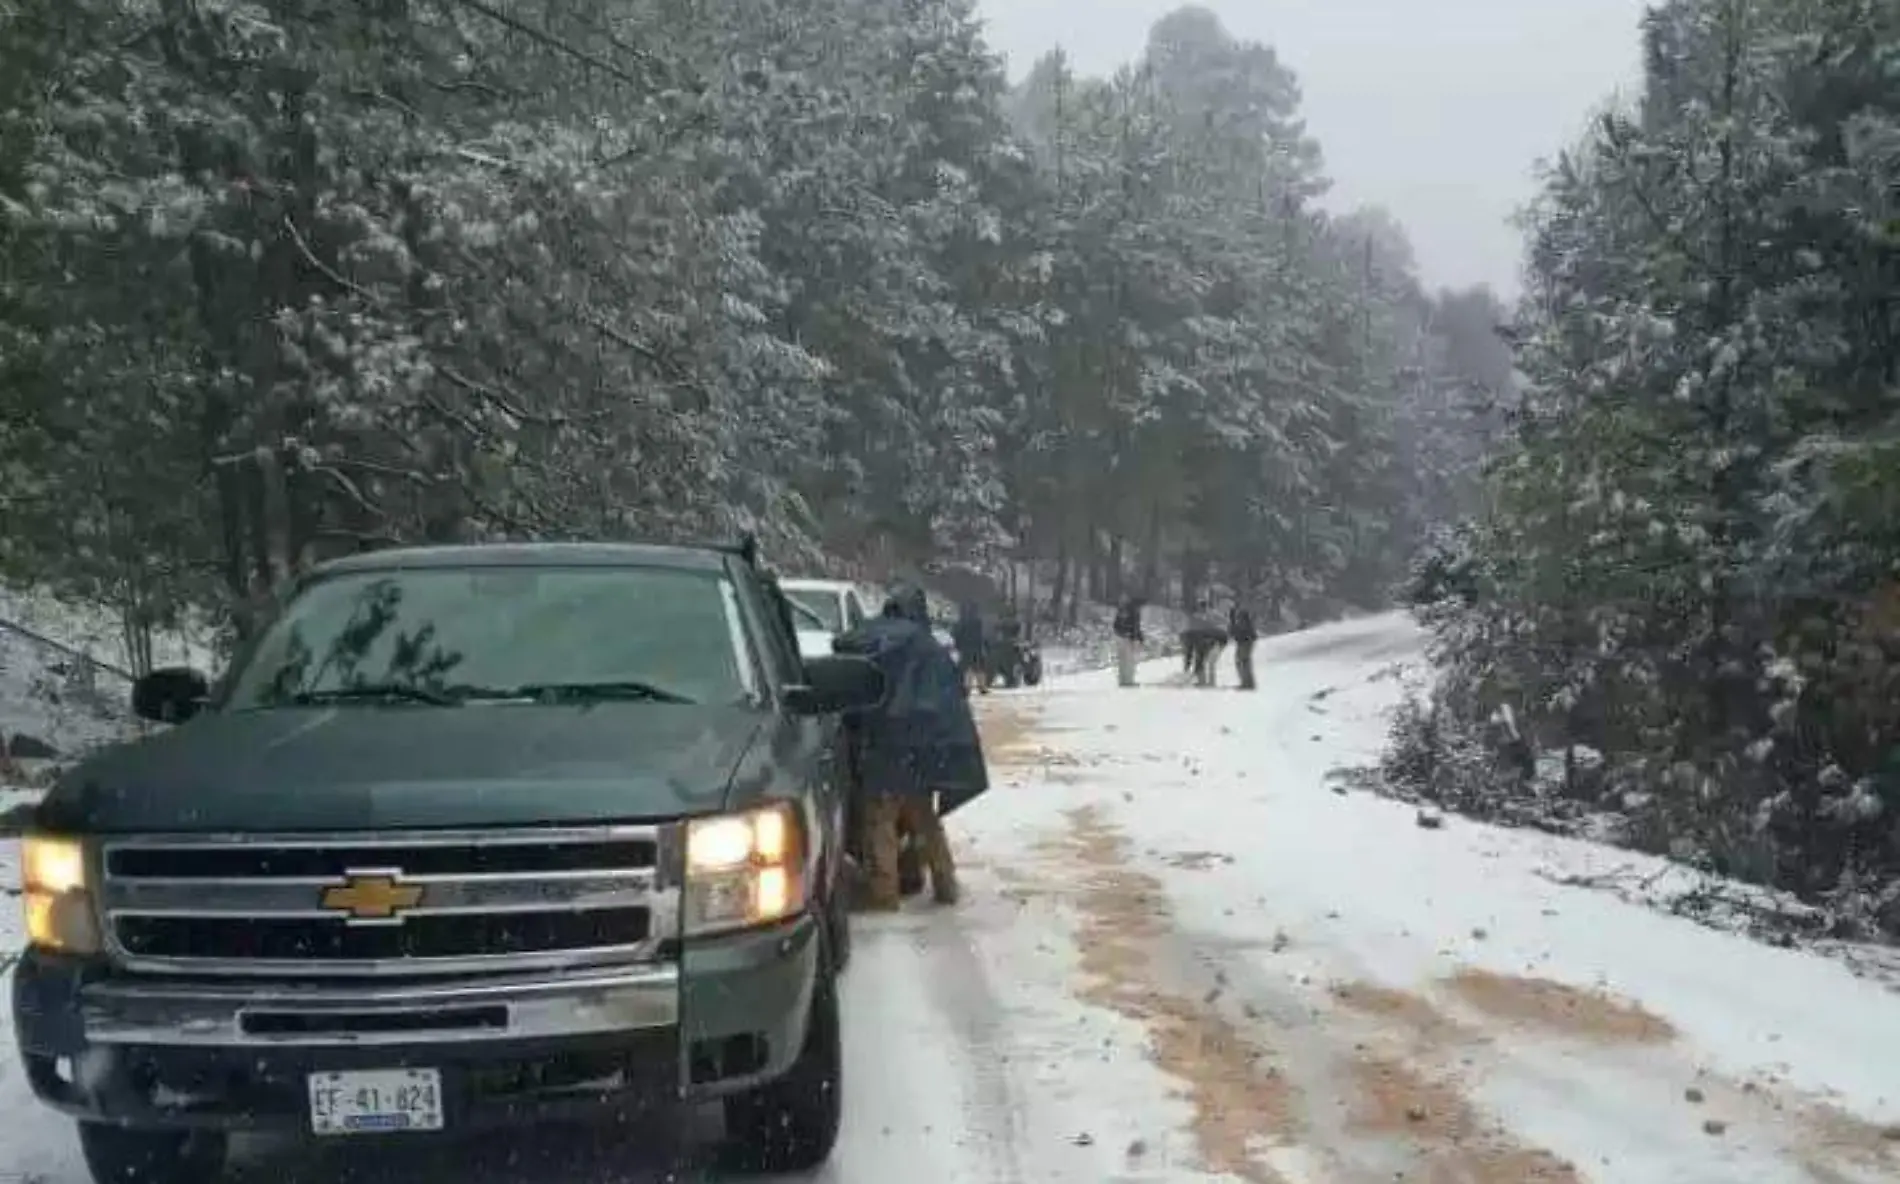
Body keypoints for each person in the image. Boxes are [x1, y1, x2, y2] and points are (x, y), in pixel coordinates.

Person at [833, 584, 989, 909]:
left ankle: (885, 894)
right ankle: (946, 885)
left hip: (879, 745)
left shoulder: (867, 637)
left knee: (880, 821)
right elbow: (951, 700)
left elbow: (843, 656)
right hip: (919, 748)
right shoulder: (929, 647)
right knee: (925, 820)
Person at [951, 600, 987, 694]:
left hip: (965, 647)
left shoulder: (961, 622)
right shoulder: (977, 622)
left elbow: (957, 634)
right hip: (976, 647)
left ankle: (967, 687)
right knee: (978, 667)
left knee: (967, 668)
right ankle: (981, 686)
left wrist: (957, 645)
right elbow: (980, 636)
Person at [1111, 596, 1145, 687]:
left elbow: (1115, 625)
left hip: (1120, 637)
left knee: (1122, 660)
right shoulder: (1134, 612)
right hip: (1130, 638)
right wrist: (1138, 638)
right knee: (1130, 661)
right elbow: (1136, 627)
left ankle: (1122, 679)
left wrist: (1118, 634)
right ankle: (1129, 680)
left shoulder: (1120, 611)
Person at [1228, 602, 1258, 690]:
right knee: (1243, 662)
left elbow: (1239, 630)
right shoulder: (1238, 620)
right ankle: (1247, 682)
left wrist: (1233, 622)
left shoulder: (1242, 619)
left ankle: (1247, 683)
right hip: (1243, 642)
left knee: (1243, 662)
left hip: (1245, 641)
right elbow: (1233, 632)